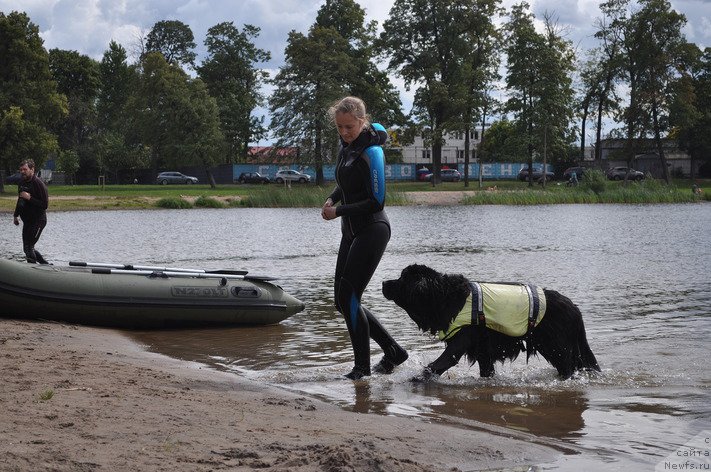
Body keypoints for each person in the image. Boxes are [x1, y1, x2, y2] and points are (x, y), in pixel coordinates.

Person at [321, 96, 408, 380]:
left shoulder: (373, 153)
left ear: (362, 120)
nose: (344, 133)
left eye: (349, 127)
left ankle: (362, 370)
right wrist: (332, 198)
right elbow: (345, 181)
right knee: (342, 301)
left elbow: (377, 200)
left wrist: (338, 211)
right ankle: (393, 351)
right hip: (350, 230)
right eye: (339, 128)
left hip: (373, 229)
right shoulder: (346, 149)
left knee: (349, 298)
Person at [13, 159, 49, 264]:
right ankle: (44, 265)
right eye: (21, 170)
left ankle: (32, 269)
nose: (22, 171)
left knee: (29, 247)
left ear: (32, 170)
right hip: (27, 221)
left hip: (38, 221)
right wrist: (15, 215)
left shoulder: (38, 184)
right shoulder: (21, 183)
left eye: (25, 169)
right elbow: (20, 201)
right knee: (26, 248)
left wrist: (30, 198)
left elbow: (45, 205)